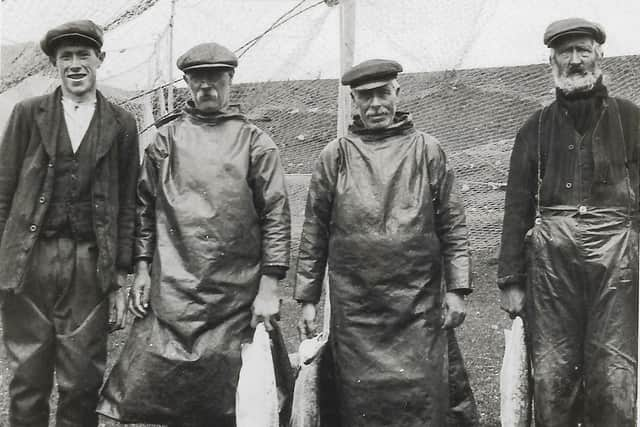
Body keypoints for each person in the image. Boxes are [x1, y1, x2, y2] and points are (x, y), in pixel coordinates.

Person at [98, 42, 292, 427]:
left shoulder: (256, 143)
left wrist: (270, 287)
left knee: (237, 397)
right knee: (162, 387)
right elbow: (143, 209)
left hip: (235, 293)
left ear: (230, 80)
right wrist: (141, 268)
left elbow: (276, 215)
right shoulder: (164, 142)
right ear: (186, 81)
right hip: (174, 289)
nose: (207, 87)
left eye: (215, 78)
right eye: (198, 79)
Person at [295, 59, 478, 426]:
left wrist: (457, 288)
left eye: (383, 93)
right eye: (366, 96)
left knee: (423, 399)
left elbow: (452, 224)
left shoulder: (428, 150)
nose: (375, 104)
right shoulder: (335, 156)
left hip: (417, 305)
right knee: (359, 404)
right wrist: (307, 297)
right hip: (356, 309)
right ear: (353, 100)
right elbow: (314, 230)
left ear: (397, 92)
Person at [498, 17, 639, 426]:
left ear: (599, 54)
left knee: (615, 373)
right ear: (552, 61)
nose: (575, 60)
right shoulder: (534, 127)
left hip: (619, 265)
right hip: (551, 267)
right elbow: (517, 206)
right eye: (566, 52)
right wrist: (511, 280)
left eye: (583, 50)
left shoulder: (632, 120)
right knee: (552, 374)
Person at [0, 20, 138, 427]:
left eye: (83, 56)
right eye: (66, 58)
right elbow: (3, 191)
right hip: (31, 261)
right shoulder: (28, 114)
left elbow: (127, 203)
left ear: (100, 60)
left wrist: (121, 277)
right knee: (28, 377)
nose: (75, 65)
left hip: (89, 264)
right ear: (54, 65)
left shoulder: (121, 124)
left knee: (81, 380)